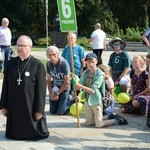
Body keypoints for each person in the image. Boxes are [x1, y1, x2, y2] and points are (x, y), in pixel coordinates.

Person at [0, 35, 49, 140]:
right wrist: (3, 105)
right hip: (14, 104)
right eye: (18, 45)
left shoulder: (37, 65)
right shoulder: (11, 63)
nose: (19, 48)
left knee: (32, 131)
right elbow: (5, 86)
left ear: (30, 47)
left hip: (30, 104)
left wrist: (40, 110)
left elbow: (41, 89)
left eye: (23, 46)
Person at [72, 52, 128, 128]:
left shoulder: (100, 74)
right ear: (86, 63)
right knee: (89, 123)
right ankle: (108, 116)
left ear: (96, 62)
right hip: (87, 100)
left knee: (99, 124)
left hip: (96, 100)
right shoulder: (85, 73)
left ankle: (116, 120)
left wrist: (79, 85)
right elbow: (77, 87)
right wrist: (74, 82)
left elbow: (93, 90)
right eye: (88, 62)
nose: (90, 64)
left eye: (92, 62)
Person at [46, 46, 71, 115]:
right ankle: (60, 102)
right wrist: (51, 93)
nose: (52, 57)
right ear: (47, 56)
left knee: (61, 112)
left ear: (58, 54)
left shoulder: (63, 63)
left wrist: (58, 93)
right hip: (55, 87)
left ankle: (72, 101)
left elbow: (67, 81)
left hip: (64, 87)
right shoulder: (48, 64)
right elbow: (48, 80)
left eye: (54, 54)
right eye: (50, 55)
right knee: (53, 111)